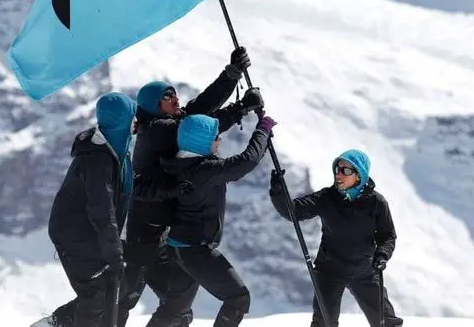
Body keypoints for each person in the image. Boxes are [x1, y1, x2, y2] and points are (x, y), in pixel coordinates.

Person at [119, 47, 265, 327]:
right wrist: (241, 108)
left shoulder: (168, 123)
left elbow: (198, 109)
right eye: (167, 96)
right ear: (154, 105)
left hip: (163, 231)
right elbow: (200, 124)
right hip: (147, 232)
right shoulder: (159, 129)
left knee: (176, 307)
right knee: (127, 296)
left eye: (174, 93)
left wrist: (231, 75)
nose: (175, 98)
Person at [159, 111, 277, 327]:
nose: (219, 139)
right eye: (215, 137)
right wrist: (263, 130)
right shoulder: (204, 170)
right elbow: (246, 161)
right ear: (200, 143)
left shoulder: (181, 163)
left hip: (178, 245)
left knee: (174, 308)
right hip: (195, 249)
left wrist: (241, 108)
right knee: (238, 299)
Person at [35, 92, 139, 327]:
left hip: (89, 230)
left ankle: (57, 322)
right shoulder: (98, 159)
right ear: (122, 120)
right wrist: (113, 251)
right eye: (132, 117)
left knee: (114, 288)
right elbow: (101, 208)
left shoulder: (116, 151)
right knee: (96, 291)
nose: (136, 122)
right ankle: (55, 323)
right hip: (75, 233)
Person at [269, 149, 403, 327]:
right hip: (330, 271)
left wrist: (382, 254)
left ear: (359, 175)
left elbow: (388, 236)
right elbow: (292, 212)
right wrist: (278, 193)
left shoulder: (376, 203)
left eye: (346, 171)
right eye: (338, 169)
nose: (339, 174)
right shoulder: (327, 198)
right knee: (324, 323)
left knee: (386, 323)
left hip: (365, 271)